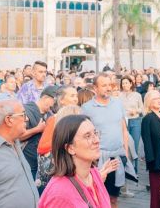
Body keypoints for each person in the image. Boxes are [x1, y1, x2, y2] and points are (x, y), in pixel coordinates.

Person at [38, 114, 119, 208]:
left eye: (95, 133)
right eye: (87, 136)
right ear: (70, 148)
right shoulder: (60, 194)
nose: (97, 140)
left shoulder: (93, 173)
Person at [81, 74, 131, 208]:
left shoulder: (118, 103)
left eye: (110, 85)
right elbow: (82, 134)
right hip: (97, 159)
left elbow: (124, 130)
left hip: (116, 157)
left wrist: (125, 152)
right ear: (95, 88)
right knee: (96, 197)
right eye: (104, 85)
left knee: (113, 198)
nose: (108, 88)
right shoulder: (86, 108)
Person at [140, 90, 160, 208]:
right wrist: (151, 162)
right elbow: (147, 141)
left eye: (159, 98)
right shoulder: (147, 118)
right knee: (158, 195)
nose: (159, 100)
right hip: (157, 162)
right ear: (148, 102)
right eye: (155, 99)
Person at [21, 85, 57, 180]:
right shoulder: (26, 109)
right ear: (45, 98)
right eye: (54, 101)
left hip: (43, 164)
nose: (55, 104)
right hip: (28, 162)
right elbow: (19, 136)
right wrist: (37, 129)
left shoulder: (50, 114)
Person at [118, 75, 143, 171]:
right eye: (123, 83)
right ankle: (125, 167)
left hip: (135, 121)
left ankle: (135, 169)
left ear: (131, 83)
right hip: (123, 121)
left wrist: (136, 111)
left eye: (126, 83)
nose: (124, 85)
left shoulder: (137, 95)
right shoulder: (119, 95)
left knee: (135, 145)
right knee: (125, 145)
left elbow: (142, 108)